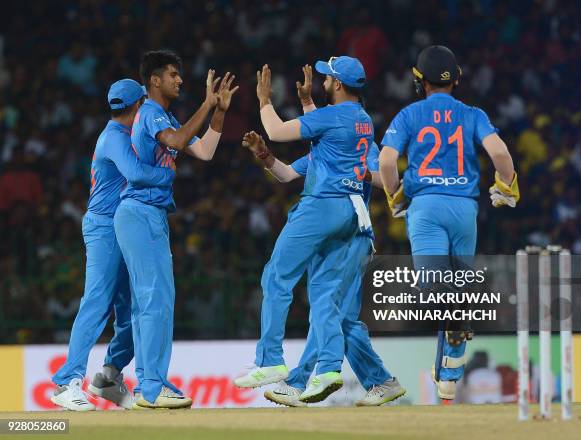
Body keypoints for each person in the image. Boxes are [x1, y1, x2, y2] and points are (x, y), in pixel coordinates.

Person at [379, 45, 519, 400]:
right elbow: (500, 153)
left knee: (432, 288)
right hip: (464, 210)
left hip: (426, 207)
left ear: (418, 81)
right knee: (457, 291)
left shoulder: (409, 115)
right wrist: (506, 185)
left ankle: (455, 332)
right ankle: (449, 377)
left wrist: (395, 196)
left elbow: (386, 162)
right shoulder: (473, 113)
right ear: (456, 78)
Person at [234, 56, 375, 404]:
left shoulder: (333, 117)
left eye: (328, 78)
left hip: (321, 205)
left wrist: (264, 100)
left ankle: (270, 361)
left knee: (277, 275)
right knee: (324, 293)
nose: (323, 82)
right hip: (350, 210)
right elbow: (285, 173)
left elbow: (278, 130)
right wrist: (264, 155)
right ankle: (328, 369)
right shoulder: (362, 120)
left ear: (339, 85)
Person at [114, 50, 238, 409]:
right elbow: (181, 141)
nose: (179, 80)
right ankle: (153, 387)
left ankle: (146, 386)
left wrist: (219, 111)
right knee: (157, 300)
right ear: (154, 80)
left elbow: (205, 152)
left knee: (147, 303)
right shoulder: (151, 112)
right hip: (142, 213)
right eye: (172, 75)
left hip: (144, 214)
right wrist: (205, 102)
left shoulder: (162, 115)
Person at [51, 79, 176, 411]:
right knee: (98, 300)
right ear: (138, 106)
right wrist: (169, 174)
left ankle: (108, 376)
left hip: (123, 224)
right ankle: (66, 382)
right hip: (105, 227)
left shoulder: (124, 134)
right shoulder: (114, 137)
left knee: (135, 309)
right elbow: (136, 173)